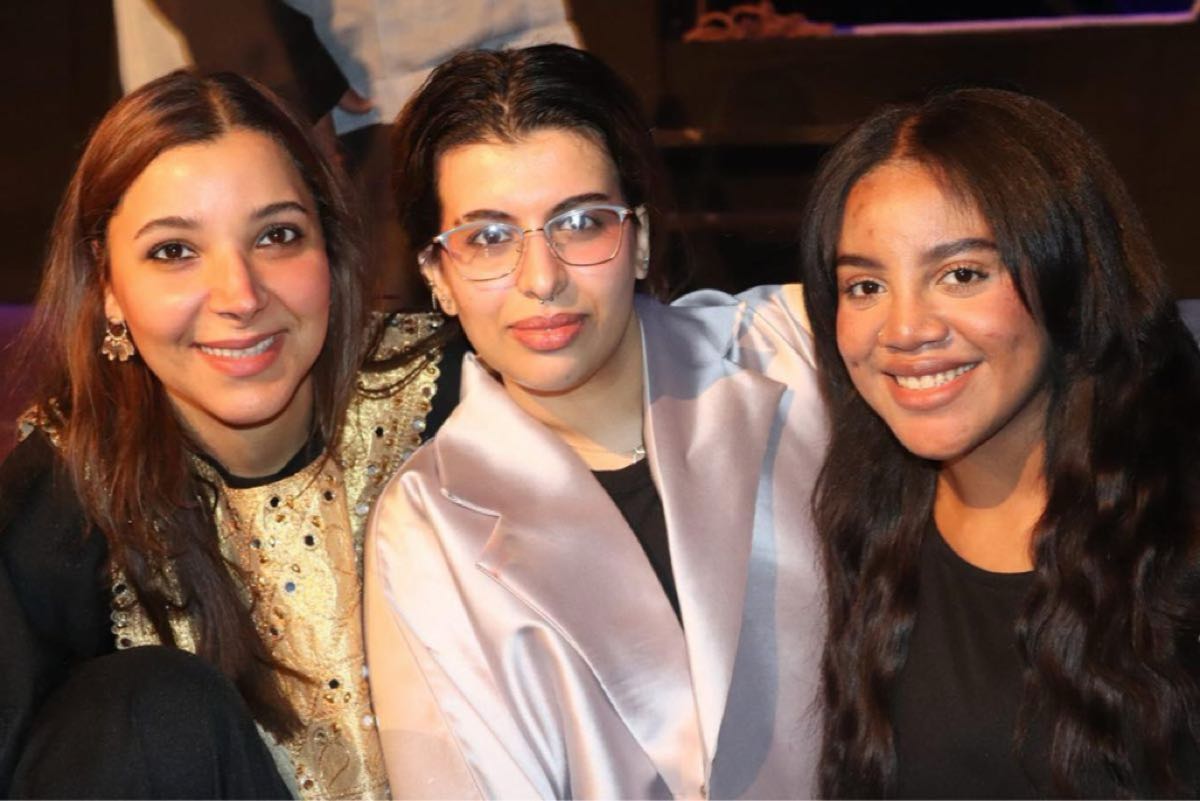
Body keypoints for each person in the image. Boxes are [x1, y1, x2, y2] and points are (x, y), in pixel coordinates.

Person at [363, 44, 827, 799]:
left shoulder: (792, 351)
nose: (542, 279)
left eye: (579, 223)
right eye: (487, 238)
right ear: (437, 275)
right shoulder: (428, 523)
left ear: (638, 238)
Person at [0, 70, 458, 798]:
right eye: (174, 251)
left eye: (277, 236)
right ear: (108, 285)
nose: (241, 297)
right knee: (151, 709)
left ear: (331, 249)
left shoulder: (456, 397)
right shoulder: (61, 501)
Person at [799, 87, 1200, 798]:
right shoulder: (865, 517)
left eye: (961, 274)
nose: (905, 329)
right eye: (865, 285)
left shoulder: (1178, 535)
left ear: (1069, 279)